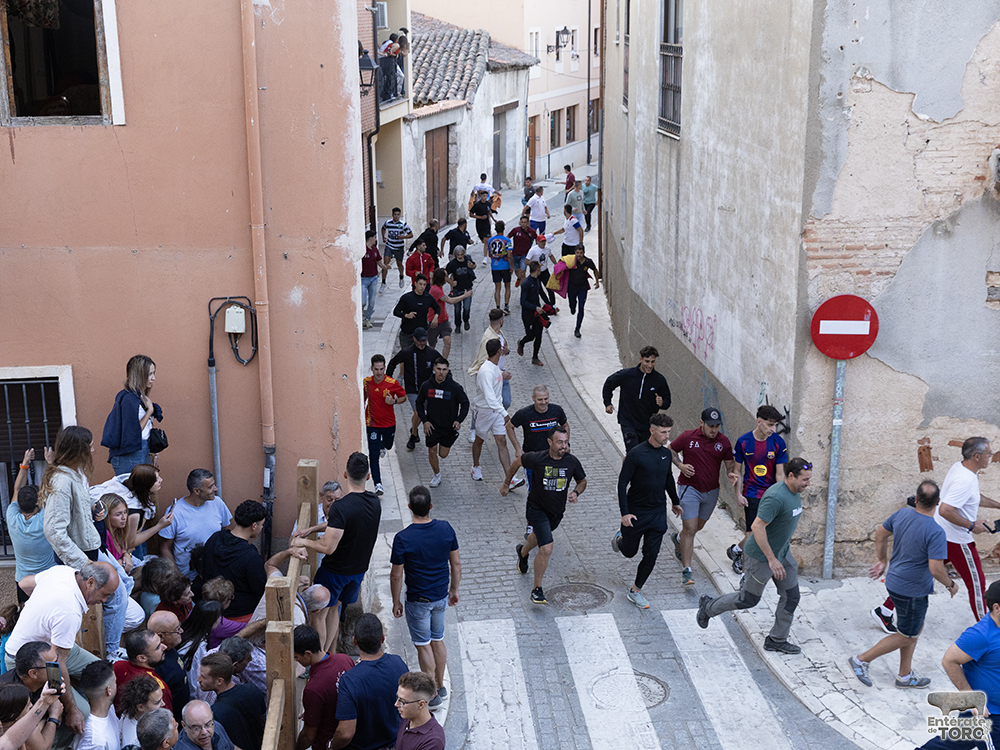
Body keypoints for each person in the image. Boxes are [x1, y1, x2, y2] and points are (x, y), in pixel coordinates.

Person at [697, 458, 813, 655]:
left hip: (782, 554)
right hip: (761, 556)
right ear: (791, 476)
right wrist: (771, 559)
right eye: (805, 480)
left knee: (791, 596)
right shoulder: (776, 497)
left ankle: (776, 640)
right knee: (748, 600)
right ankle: (708, 607)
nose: (808, 484)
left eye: (809, 479)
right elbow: (757, 526)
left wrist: (780, 553)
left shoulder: (795, 491)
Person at [848, 481, 955, 690]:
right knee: (906, 635)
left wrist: (882, 561)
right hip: (912, 591)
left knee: (915, 628)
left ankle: (904, 676)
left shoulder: (901, 515)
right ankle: (861, 660)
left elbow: (880, 534)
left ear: (916, 499)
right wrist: (951, 585)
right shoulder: (936, 532)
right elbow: (936, 569)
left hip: (895, 583)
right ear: (938, 503)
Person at [40, 426, 133, 660]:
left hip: (90, 549)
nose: (93, 449)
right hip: (81, 555)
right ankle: (110, 651)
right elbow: (53, 531)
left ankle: (111, 646)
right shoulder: (62, 481)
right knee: (117, 594)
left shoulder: (74, 474)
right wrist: (84, 564)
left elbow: (79, 501)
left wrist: (94, 505)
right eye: (89, 445)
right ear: (79, 449)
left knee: (124, 582)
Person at [8, 562, 119, 735]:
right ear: (90, 582)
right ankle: (57, 742)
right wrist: (71, 708)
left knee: (103, 674)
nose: (104, 601)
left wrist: (40, 608)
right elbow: (56, 666)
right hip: (28, 661)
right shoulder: (69, 611)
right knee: (81, 712)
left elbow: (23, 583)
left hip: (53, 647)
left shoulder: (63, 572)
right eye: (105, 594)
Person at [291, 453, 381, 656]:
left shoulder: (341, 507)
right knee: (335, 610)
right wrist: (312, 528)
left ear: (345, 474)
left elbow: (328, 547)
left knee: (320, 615)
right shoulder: (374, 502)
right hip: (357, 572)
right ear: (368, 476)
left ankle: (318, 656)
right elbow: (343, 524)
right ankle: (329, 655)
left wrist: (303, 540)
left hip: (335, 570)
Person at [390, 487, 460, 707]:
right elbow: (456, 563)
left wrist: (396, 601)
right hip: (440, 596)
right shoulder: (446, 529)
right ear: (430, 506)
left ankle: (431, 694)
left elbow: (396, 575)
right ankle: (440, 685)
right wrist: (454, 590)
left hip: (418, 600)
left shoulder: (403, 538)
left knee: (423, 645)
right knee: (438, 640)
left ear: (410, 507)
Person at [502, 426, 586, 605]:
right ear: (550, 442)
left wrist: (576, 492)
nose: (564, 446)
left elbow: (582, 481)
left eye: (566, 442)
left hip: (556, 513)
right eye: (560, 442)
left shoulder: (572, 461)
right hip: (536, 509)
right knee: (546, 547)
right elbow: (517, 463)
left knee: (537, 538)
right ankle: (537, 589)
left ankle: (522, 552)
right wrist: (505, 484)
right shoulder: (538, 458)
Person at [914, 580, 1000, 749]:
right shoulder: (980, 635)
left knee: (952, 742)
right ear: (997, 608)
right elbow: (949, 660)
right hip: (989, 717)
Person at [611, 414, 682, 607]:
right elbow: (622, 483)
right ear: (652, 430)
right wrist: (624, 513)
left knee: (651, 554)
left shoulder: (667, 454)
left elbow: (668, 478)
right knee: (629, 552)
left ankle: (636, 590)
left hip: (658, 512)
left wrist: (675, 502)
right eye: (663, 432)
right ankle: (620, 539)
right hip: (636, 512)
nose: (667, 436)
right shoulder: (636, 454)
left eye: (669, 432)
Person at [669, 409, 739, 586]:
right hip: (689, 488)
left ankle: (679, 539)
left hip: (711, 491)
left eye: (717, 426)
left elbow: (730, 464)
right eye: (711, 426)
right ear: (702, 423)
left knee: (697, 527)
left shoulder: (723, 442)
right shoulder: (688, 437)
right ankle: (687, 570)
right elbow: (670, 450)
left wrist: (731, 474)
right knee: (690, 528)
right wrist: (680, 465)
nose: (714, 430)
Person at [933, 437, 1000, 622]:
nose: (991, 456)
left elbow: (974, 497)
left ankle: (885, 611)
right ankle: (988, 632)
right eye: (989, 453)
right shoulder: (964, 479)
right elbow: (945, 509)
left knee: (921, 572)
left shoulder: (962, 468)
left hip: (940, 533)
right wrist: (972, 526)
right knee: (977, 585)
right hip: (956, 539)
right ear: (977, 456)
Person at [330, 614, 407, 750]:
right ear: (382, 638)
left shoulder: (349, 680)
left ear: (354, 641)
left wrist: (332, 747)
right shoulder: (399, 664)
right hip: (396, 743)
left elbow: (345, 733)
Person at [728, 405, 788, 575]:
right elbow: (737, 471)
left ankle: (736, 550)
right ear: (759, 421)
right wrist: (738, 494)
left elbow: (779, 474)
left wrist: (781, 497)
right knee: (752, 533)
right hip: (752, 493)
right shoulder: (744, 442)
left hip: (771, 495)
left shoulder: (778, 442)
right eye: (770, 425)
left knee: (764, 532)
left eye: (775, 425)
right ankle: (746, 578)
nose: (773, 429)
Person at [199, 501, 266, 623]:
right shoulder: (251, 556)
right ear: (254, 526)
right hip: (242, 615)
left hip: (211, 612)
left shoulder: (214, 539)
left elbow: (204, 569)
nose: (262, 529)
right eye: (262, 525)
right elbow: (261, 588)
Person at [159, 470, 232, 581]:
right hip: (187, 578)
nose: (216, 489)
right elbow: (165, 548)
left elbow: (226, 535)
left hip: (215, 575)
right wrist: (179, 579)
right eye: (210, 487)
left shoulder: (218, 503)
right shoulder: (175, 512)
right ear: (197, 491)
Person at [292, 626, 354, 750]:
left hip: (328, 743)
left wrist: (296, 748)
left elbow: (309, 736)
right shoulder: (344, 659)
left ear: (307, 653)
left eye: (296, 657)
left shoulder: (313, 689)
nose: (296, 661)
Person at [602, 346, 672, 452]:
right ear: (640, 359)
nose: (650, 365)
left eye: (653, 362)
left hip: (646, 424)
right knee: (633, 452)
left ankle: (626, 467)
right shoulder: (627, 375)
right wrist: (608, 403)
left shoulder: (659, 380)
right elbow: (609, 384)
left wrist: (662, 403)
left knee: (643, 454)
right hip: (628, 421)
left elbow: (667, 401)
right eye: (647, 361)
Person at [8, 449, 56, 602]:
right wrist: (50, 463)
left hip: (23, 582)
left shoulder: (12, 517)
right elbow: (51, 488)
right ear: (38, 504)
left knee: (27, 618)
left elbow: (16, 489)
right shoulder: (44, 518)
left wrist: (25, 463)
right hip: (46, 579)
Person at [471, 340, 520, 486]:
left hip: (496, 412)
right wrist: (504, 413)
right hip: (484, 412)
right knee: (479, 441)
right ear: (499, 351)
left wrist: (502, 373)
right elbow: (489, 397)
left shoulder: (493, 367)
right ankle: (475, 467)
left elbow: (495, 376)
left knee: (502, 441)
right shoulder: (485, 371)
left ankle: (509, 479)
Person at [102, 355, 160, 476]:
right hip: (130, 453)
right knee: (131, 494)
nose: (153, 378)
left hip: (141, 449)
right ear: (139, 375)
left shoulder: (139, 397)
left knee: (143, 493)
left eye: (154, 373)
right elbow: (133, 431)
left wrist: (153, 453)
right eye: (150, 374)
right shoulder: (128, 398)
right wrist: (149, 410)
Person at [415, 358, 469, 488]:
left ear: (448, 370)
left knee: (442, 455)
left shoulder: (455, 387)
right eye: (438, 369)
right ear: (434, 369)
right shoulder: (426, 385)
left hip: (448, 427)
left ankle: (452, 438)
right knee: (432, 451)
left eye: (444, 369)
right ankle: (437, 475)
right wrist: (425, 421)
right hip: (432, 426)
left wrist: (459, 420)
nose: (441, 372)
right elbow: (419, 403)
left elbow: (465, 403)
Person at [387, 329, 441, 454]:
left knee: (422, 413)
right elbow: (392, 363)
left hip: (429, 390)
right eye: (420, 341)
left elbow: (444, 365)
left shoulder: (432, 353)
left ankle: (414, 431)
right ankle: (413, 436)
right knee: (418, 411)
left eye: (424, 341)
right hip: (412, 390)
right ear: (414, 339)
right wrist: (388, 381)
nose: (422, 343)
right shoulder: (407, 353)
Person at [197, 654, 264, 750]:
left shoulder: (215, 714)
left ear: (219, 681)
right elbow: (263, 721)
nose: (198, 679)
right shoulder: (253, 690)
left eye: (203, 677)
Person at [362, 354, 407, 497]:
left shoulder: (392, 383)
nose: (379, 372)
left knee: (388, 445)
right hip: (372, 424)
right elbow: (362, 398)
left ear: (385, 368)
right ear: (371, 368)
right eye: (376, 369)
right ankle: (378, 484)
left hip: (389, 423)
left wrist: (393, 402)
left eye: (381, 369)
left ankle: (383, 445)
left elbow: (403, 397)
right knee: (373, 455)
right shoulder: (366, 383)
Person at [510, 386, 568, 491]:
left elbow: (565, 425)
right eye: (540, 399)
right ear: (533, 398)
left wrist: (566, 444)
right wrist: (517, 448)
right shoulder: (524, 414)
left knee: (551, 487)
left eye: (546, 399)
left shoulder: (556, 410)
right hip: (532, 458)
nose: (543, 402)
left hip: (552, 458)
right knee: (534, 490)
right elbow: (509, 427)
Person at [175, 602, 225, 705]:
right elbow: (194, 679)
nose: (220, 619)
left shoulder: (190, 633)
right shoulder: (196, 649)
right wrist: (197, 702)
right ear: (209, 621)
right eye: (217, 616)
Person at [468, 309, 514, 415]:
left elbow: (502, 349)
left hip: (501, 371)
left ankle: (496, 419)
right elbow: (482, 362)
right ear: (501, 320)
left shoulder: (498, 333)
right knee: (490, 402)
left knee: (505, 402)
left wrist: (507, 351)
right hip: (493, 375)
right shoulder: (488, 338)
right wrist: (502, 373)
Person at [113, 630, 170, 714]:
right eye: (158, 647)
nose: (164, 647)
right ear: (141, 658)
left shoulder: (116, 667)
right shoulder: (156, 686)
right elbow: (166, 715)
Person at [289, 482, 342, 568]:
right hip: (313, 568)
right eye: (329, 499)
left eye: (337, 500)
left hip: (336, 569)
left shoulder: (343, 515)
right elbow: (293, 540)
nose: (333, 504)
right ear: (321, 496)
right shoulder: (311, 514)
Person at [148, 613, 188, 724]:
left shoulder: (170, 648)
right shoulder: (156, 665)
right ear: (161, 636)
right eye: (176, 630)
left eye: (179, 626)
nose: (181, 631)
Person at [426, 269, 472, 359]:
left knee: (448, 341)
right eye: (446, 276)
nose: (447, 278)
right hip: (433, 321)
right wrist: (465, 296)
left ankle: (443, 361)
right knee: (432, 346)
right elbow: (450, 301)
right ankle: (431, 363)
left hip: (444, 320)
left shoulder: (439, 287)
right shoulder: (435, 290)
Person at [75, 660, 119, 750]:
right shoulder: (95, 741)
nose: (117, 685)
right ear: (108, 690)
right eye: (115, 682)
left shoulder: (109, 707)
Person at [394, 672, 445, 750]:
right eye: (398, 698)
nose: (396, 704)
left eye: (403, 702)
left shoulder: (433, 742)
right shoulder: (407, 715)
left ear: (421, 704)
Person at [392, 274, 441, 352]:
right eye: (420, 284)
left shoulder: (428, 297)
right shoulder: (406, 297)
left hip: (421, 334)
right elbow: (396, 311)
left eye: (424, 285)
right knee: (406, 357)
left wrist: (436, 317)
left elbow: (437, 307)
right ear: (415, 283)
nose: (422, 287)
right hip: (407, 333)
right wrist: (406, 315)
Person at [119, 676, 165, 750]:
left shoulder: (129, 713)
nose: (163, 703)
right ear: (140, 707)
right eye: (157, 702)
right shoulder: (135, 742)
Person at [515, 261, 547, 366]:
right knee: (531, 336)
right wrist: (535, 307)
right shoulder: (526, 283)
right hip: (528, 315)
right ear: (537, 270)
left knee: (539, 335)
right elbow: (523, 302)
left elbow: (542, 294)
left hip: (537, 314)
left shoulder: (537, 281)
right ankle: (522, 342)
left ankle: (535, 357)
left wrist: (552, 306)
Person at [563, 244, 598, 338]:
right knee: (572, 304)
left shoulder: (588, 262)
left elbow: (595, 270)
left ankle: (577, 329)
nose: (579, 255)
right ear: (575, 252)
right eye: (577, 253)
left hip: (583, 288)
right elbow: (561, 266)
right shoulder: (571, 261)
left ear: (584, 252)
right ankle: (572, 307)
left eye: (580, 253)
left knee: (581, 307)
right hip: (572, 287)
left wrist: (597, 281)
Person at [444, 247, 476, 332]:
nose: (460, 256)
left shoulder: (467, 259)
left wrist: (472, 266)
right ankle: (457, 326)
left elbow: (474, 266)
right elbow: (444, 275)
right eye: (458, 255)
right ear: (455, 255)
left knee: (467, 307)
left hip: (467, 288)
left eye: (461, 254)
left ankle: (466, 321)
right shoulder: (452, 264)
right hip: (457, 290)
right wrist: (451, 282)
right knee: (457, 309)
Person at [380, 208, 412, 291]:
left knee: (399, 264)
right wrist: (383, 237)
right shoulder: (388, 223)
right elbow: (383, 228)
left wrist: (403, 237)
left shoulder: (403, 224)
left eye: (398, 215)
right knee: (385, 263)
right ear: (392, 215)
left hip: (399, 247)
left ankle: (401, 277)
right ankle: (383, 282)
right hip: (389, 245)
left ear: (400, 215)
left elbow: (411, 234)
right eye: (395, 214)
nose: (396, 216)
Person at [486, 220, 513, 314]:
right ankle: (506, 306)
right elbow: (509, 255)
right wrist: (511, 266)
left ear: (495, 229)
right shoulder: (507, 241)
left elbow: (490, 254)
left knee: (497, 288)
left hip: (495, 267)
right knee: (507, 287)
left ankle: (498, 307)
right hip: (505, 266)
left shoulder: (490, 240)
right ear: (504, 229)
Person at [526, 233, 557, 306]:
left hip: (544, 271)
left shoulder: (547, 249)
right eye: (541, 241)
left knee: (550, 287)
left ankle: (553, 303)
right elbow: (526, 261)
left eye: (544, 241)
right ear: (537, 242)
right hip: (536, 273)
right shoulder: (533, 250)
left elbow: (551, 256)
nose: (543, 243)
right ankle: (547, 303)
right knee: (539, 289)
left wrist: (556, 263)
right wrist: (535, 265)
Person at [360, 230, 383, 329]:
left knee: (372, 301)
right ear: (370, 238)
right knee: (363, 301)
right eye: (374, 237)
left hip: (373, 278)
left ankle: (367, 319)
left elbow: (379, 261)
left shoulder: (375, 250)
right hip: (363, 279)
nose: (376, 239)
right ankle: (360, 316)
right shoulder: (362, 250)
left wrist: (384, 267)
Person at [507, 215, 537, 288]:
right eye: (522, 222)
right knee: (517, 271)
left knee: (523, 272)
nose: (523, 224)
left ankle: (524, 289)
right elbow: (507, 238)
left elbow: (537, 238)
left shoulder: (531, 231)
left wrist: (536, 249)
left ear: (528, 223)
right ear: (520, 222)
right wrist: (508, 249)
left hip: (524, 255)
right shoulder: (515, 230)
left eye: (525, 222)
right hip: (515, 254)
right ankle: (519, 278)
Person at [469, 191, 494, 263]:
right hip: (479, 225)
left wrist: (493, 219)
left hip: (486, 224)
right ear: (480, 196)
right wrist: (480, 217)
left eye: (486, 196)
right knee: (483, 241)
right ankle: (488, 248)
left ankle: (485, 258)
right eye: (484, 196)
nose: (485, 198)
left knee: (486, 240)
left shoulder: (488, 203)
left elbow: (489, 211)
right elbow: (471, 214)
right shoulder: (477, 205)